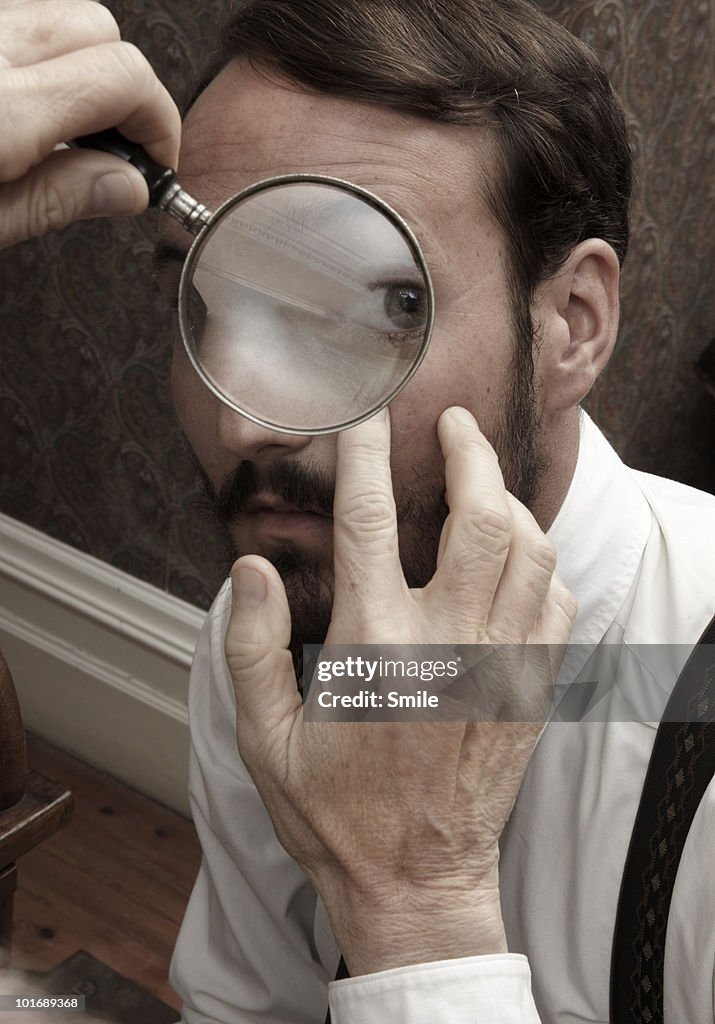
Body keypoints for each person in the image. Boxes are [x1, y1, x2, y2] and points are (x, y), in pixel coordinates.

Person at [2, 2, 714, 1023]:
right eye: (208, 305)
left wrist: (416, 910)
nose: (243, 424)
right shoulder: (264, 639)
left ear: (573, 325)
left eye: (382, 308)